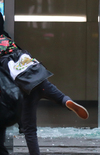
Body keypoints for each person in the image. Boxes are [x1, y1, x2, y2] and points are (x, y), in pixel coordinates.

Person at [0, 12, 89, 155]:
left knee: (30, 129)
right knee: (59, 97)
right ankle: (67, 101)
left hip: (25, 88)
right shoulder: (8, 41)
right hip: (39, 78)